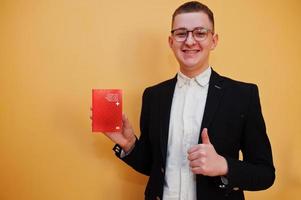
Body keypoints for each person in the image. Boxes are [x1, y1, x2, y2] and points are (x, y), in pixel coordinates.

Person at [104, 1, 275, 199]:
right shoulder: (153, 96)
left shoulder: (243, 95)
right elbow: (153, 167)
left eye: (200, 33)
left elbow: (265, 174)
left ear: (214, 40)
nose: (190, 41)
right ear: (171, 41)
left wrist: (224, 166)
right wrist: (130, 144)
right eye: (181, 33)